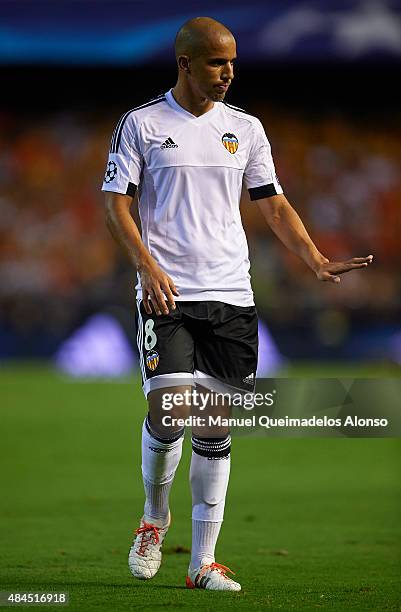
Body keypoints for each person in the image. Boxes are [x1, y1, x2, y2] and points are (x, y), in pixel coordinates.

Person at [102, 16, 373, 592]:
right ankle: (154, 518)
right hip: (167, 292)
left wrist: (315, 258)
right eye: (217, 63)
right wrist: (146, 265)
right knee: (170, 412)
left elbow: (272, 203)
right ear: (186, 64)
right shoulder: (142, 125)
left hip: (232, 294)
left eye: (232, 63)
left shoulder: (246, 129)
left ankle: (202, 563)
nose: (228, 74)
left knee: (214, 427)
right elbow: (117, 205)